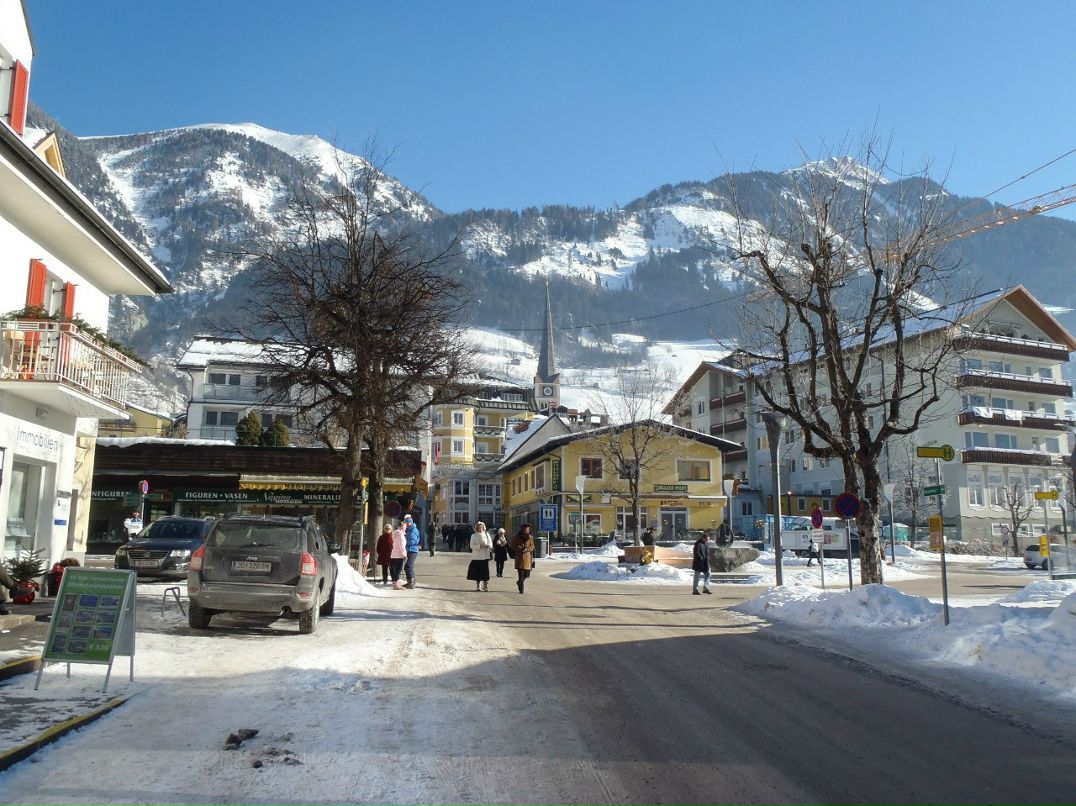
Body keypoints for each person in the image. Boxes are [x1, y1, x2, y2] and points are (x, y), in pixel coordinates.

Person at [467, 521, 493, 591]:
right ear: (476, 528)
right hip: (477, 556)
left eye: (481, 527)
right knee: (478, 572)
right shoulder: (473, 535)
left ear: (483, 527)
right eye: (478, 527)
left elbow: (490, 544)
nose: (480, 529)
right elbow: (471, 546)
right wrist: (479, 546)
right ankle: (478, 585)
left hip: (485, 556)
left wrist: (488, 546)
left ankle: (485, 585)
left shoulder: (487, 535)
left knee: (485, 572)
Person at [512, 524, 536, 594]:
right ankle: (521, 589)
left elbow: (533, 546)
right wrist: (520, 549)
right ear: (523, 530)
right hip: (519, 558)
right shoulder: (517, 537)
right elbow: (513, 545)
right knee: (521, 575)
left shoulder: (530, 537)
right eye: (525, 530)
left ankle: (519, 582)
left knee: (526, 575)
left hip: (527, 559)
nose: (527, 531)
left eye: (528, 530)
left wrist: (527, 549)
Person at [403, 514, 422, 589]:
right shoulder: (410, 530)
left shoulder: (413, 530)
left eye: (406, 523)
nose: (406, 525)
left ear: (409, 523)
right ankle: (410, 581)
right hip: (410, 549)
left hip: (413, 550)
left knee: (408, 566)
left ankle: (411, 582)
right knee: (409, 566)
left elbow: (412, 541)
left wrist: (404, 542)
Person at [389, 521, 407, 590]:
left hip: (393, 554)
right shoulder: (400, 535)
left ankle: (395, 583)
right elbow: (401, 546)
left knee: (394, 570)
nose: (406, 528)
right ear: (402, 527)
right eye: (405, 526)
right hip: (399, 555)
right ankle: (396, 585)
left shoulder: (394, 533)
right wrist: (404, 555)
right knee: (398, 570)